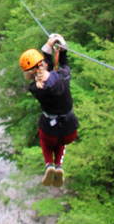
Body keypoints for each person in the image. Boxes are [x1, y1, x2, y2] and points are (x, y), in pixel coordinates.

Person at [20, 34, 79, 188]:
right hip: (69, 130)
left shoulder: (34, 87)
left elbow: (43, 71)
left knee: (45, 137)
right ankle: (58, 164)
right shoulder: (63, 77)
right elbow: (64, 65)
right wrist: (61, 46)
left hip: (50, 130)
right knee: (62, 139)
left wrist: (48, 48)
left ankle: (49, 164)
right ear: (43, 64)